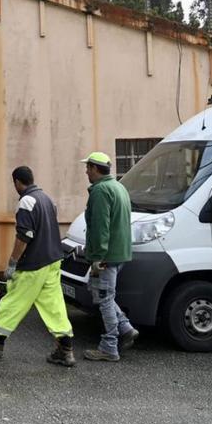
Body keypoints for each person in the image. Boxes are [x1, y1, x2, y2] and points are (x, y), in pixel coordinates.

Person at [0, 166, 76, 367]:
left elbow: (25, 236)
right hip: (53, 261)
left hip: (34, 264)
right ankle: (65, 350)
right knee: (54, 307)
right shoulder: (47, 199)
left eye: (15, 184)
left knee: (13, 301)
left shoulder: (26, 201)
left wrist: (12, 262)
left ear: (17, 182)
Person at [80, 152, 140, 362]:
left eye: (87, 168)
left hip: (105, 256)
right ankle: (125, 327)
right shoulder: (118, 186)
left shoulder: (100, 191)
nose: (86, 171)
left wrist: (97, 257)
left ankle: (109, 346)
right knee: (100, 293)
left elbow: (100, 228)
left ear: (95, 169)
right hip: (119, 252)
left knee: (104, 298)